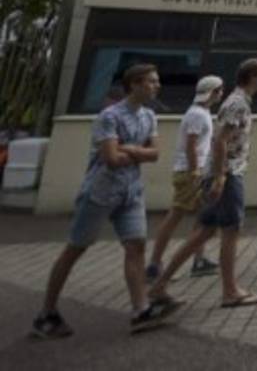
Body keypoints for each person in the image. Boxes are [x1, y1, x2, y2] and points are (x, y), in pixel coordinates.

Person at [31, 64, 179, 338]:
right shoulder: (108, 117)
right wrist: (138, 151)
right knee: (76, 247)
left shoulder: (149, 116)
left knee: (135, 247)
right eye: (152, 81)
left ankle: (140, 310)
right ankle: (47, 312)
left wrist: (129, 149)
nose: (157, 86)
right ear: (135, 84)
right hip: (100, 192)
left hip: (131, 191)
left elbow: (156, 153)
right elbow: (111, 159)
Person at [148, 58, 257, 309]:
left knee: (204, 232)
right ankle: (230, 291)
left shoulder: (238, 101)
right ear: (252, 77)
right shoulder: (237, 103)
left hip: (220, 173)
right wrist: (221, 176)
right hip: (228, 173)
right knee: (231, 230)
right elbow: (220, 141)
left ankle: (160, 285)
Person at [146, 76, 224, 281]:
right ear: (212, 92)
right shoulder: (198, 115)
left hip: (193, 171)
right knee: (175, 216)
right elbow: (191, 144)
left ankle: (198, 259)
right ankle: (154, 265)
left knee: (202, 217)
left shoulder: (201, 112)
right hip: (190, 172)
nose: (221, 94)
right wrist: (194, 172)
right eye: (219, 90)